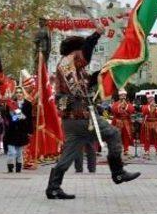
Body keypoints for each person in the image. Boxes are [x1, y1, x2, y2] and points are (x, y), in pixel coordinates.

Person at [45, 25, 140, 200]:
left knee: (69, 154)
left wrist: (106, 70)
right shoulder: (71, 60)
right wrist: (96, 34)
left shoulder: (68, 67)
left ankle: (53, 187)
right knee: (113, 133)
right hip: (82, 115)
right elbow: (87, 52)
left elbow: (90, 81)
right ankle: (118, 172)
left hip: (69, 119)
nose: (85, 56)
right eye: (80, 51)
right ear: (76, 51)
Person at [3, 87, 33, 173]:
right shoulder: (11, 103)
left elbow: (29, 118)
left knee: (19, 152)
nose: (19, 94)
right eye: (17, 92)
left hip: (22, 130)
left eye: (20, 92)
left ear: (23, 94)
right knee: (11, 152)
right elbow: (8, 117)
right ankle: (10, 166)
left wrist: (30, 131)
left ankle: (18, 167)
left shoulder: (28, 104)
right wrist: (19, 116)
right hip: (11, 130)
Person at [110, 89, 135, 155]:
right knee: (117, 136)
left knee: (126, 136)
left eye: (124, 95)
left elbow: (132, 110)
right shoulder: (116, 104)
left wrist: (126, 107)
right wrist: (120, 106)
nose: (123, 97)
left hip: (126, 122)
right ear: (119, 96)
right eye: (122, 95)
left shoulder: (128, 104)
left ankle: (126, 149)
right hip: (118, 122)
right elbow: (113, 110)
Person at [140, 92, 157, 160]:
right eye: (149, 98)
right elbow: (144, 112)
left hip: (156, 123)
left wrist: (155, 108)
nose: (151, 99)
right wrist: (150, 106)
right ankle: (146, 150)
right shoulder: (145, 106)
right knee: (147, 138)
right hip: (148, 123)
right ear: (147, 99)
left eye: (152, 98)